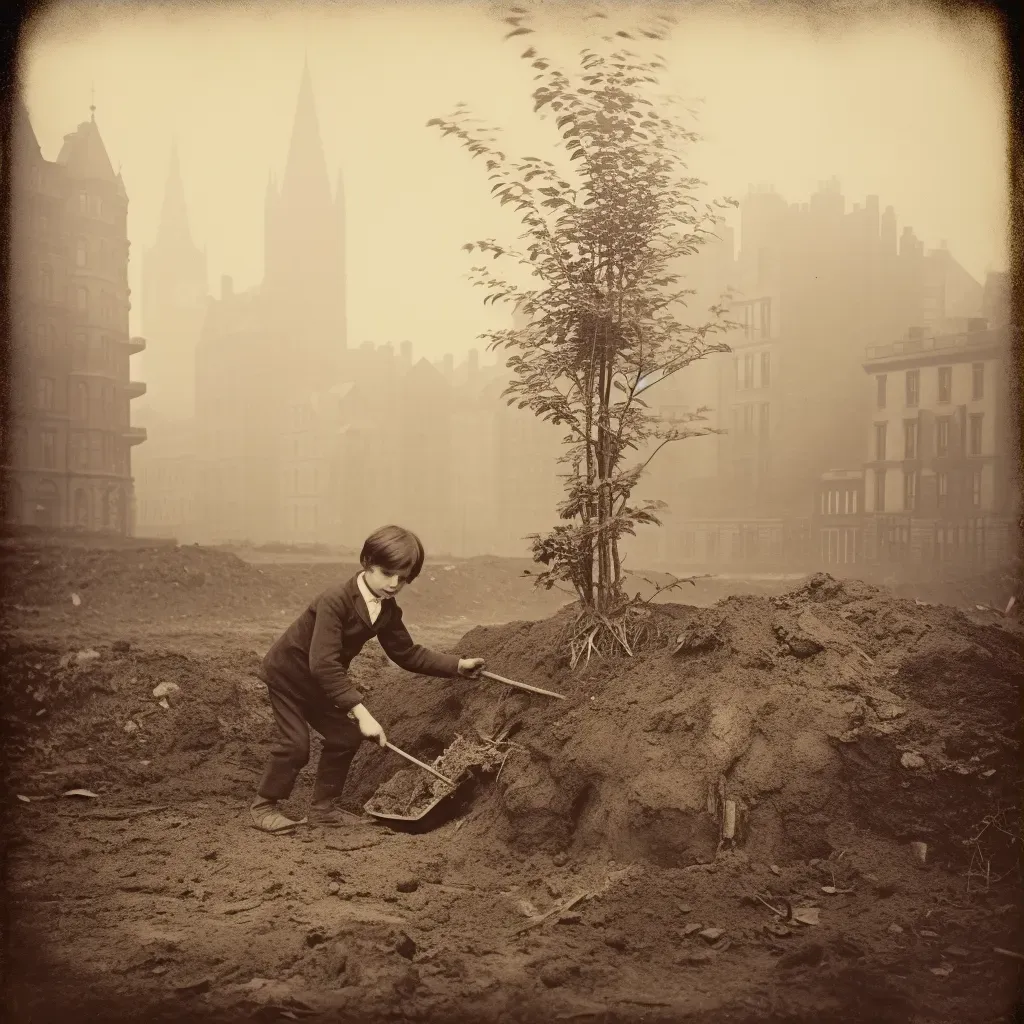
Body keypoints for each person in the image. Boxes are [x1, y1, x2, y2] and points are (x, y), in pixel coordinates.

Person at [250, 525, 485, 833]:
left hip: (319, 682)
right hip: (290, 676)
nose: (394, 584)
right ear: (367, 561)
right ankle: (263, 806)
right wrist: (362, 713)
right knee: (296, 745)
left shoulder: (386, 610)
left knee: (345, 737)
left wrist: (456, 665)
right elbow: (322, 664)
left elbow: (407, 653)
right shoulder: (335, 600)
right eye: (388, 574)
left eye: (404, 578)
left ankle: (323, 810)